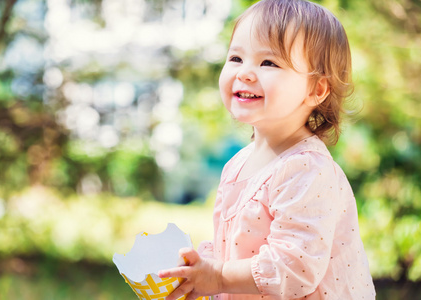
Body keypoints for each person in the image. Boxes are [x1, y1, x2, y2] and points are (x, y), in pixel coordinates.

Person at [158, 0, 376, 299]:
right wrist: (200, 272)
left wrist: (218, 276)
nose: (245, 73)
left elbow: (296, 267)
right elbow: (228, 250)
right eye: (236, 58)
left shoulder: (307, 169)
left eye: (269, 63)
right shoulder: (238, 164)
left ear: (317, 90)